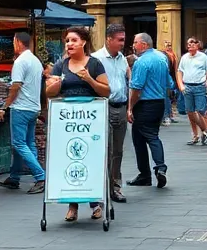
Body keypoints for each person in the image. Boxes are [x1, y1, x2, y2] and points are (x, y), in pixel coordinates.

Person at [45, 26, 110, 223]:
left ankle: (95, 202)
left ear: (83, 43)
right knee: (69, 158)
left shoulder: (95, 64)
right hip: (67, 120)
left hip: (91, 120)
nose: (69, 44)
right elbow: (49, 92)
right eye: (67, 41)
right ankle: (72, 206)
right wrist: (56, 84)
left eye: (73, 40)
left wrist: (89, 79)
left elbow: (106, 91)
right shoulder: (61, 65)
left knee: (91, 158)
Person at [0, 31, 46, 194]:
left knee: (19, 143)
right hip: (33, 107)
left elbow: (15, 86)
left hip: (21, 108)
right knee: (27, 143)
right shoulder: (35, 61)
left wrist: (4, 106)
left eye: (13, 42)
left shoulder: (20, 62)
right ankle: (14, 177)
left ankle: (40, 177)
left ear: (18, 42)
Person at [92, 23, 130, 203]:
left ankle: (115, 186)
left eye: (123, 39)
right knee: (103, 149)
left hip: (120, 107)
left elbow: (126, 81)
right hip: (103, 106)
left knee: (118, 150)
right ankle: (99, 187)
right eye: (120, 40)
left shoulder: (122, 59)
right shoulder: (96, 59)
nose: (123, 43)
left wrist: (129, 107)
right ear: (109, 39)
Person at [126, 33, 169, 189]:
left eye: (135, 42)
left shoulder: (141, 62)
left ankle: (156, 169)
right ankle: (148, 172)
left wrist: (130, 108)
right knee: (145, 136)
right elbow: (168, 82)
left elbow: (136, 88)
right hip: (159, 102)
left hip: (145, 104)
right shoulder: (162, 58)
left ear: (143, 44)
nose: (133, 45)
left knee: (147, 137)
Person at [177, 38, 207, 145]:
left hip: (199, 86)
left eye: (193, 44)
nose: (190, 46)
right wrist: (181, 86)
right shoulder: (184, 58)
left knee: (200, 111)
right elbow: (179, 72)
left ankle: (205, 133)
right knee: (190, 112)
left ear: (197, 45)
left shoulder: (203, 57)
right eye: (188, 44)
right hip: (187, 86)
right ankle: (195, 135)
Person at [163, 41, 180, 123]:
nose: (169, 47)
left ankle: (169, 115)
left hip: (172, 78)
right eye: (167, 45)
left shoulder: (173, 55)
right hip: (167, 78)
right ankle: (167, 116)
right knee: (167, 97)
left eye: (170, 45)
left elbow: (175, 68)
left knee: (169, 97)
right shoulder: (164, 55)